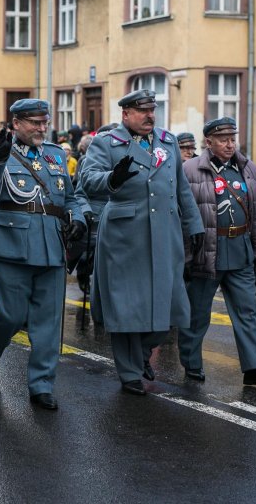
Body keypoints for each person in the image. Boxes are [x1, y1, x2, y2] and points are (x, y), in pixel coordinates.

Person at [81, 89, 204, 396]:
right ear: (126, 114)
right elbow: (87, 179)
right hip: (125, 236)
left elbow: (182, 189)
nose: (150, 116)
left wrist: (194, 224)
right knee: (126, 310)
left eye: (153, 110)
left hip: (165, 233)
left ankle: (141, 355)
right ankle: (130, 373)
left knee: (167, 306)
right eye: (142, 111)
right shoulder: (106, 142)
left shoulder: (167, 141)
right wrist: (112, 178)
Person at [0, 99, 87, 410]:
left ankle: (41, 385)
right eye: (34, 122)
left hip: (52, 245)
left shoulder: (55, 153)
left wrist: (77, 217)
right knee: (11, 315)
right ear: (16, 123)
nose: (41, 128)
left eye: (44, 121)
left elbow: (70, 196)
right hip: (12, 243)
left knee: (48, 322)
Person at [178, 118, 256, 385]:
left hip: (240, 252)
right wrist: (186, 255)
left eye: (232, 138)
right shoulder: (190, 170)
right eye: (223, 139)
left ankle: (253, 368)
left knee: (247, 311)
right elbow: (180, 216)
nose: (229, 144)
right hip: (206, 254)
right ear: (209, 142)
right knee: (197, 314)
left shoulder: (248, 169)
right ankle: (191, 363)